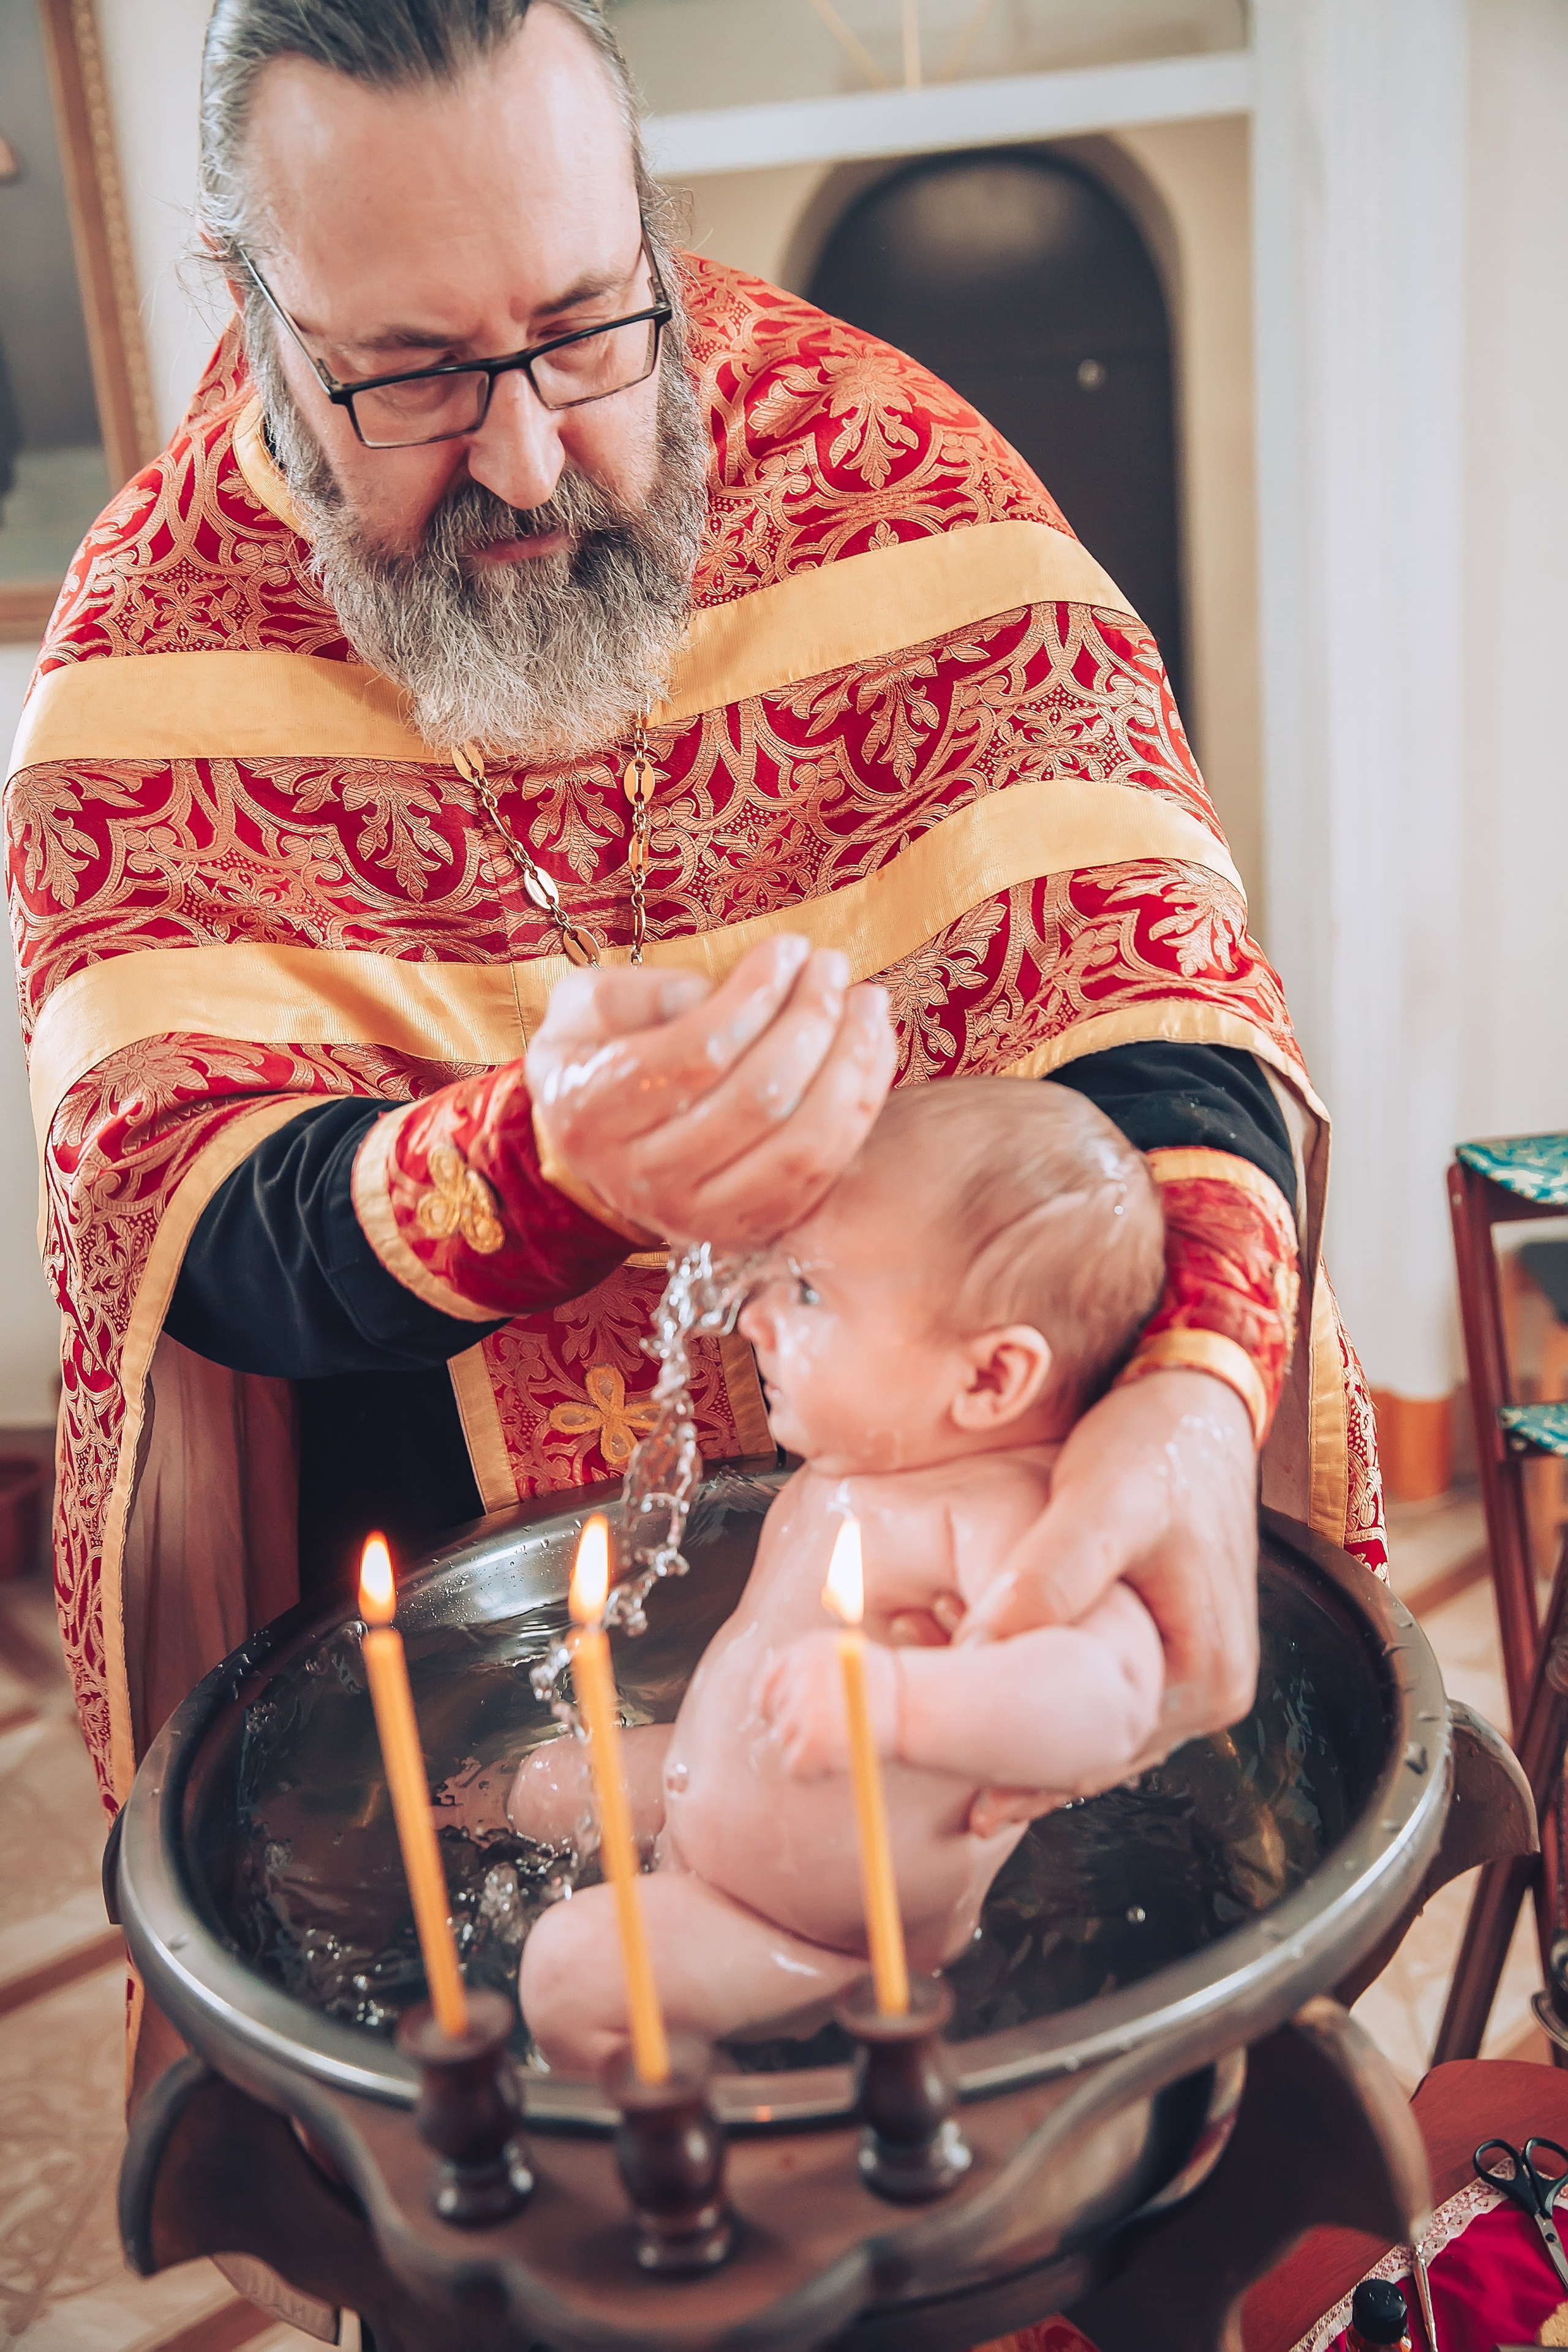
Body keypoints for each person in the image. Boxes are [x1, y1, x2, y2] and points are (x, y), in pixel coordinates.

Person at [6, 0, 1382, 1959]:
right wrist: (537, 1165)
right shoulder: (147, 651)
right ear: (251, 301)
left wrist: (1187, 1390)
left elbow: (1143, 984)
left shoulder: (892, 470)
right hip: (470, 1610)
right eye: (409, 374)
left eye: (582, 325)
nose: (527, 451)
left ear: (646, 223)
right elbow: (187, 1237)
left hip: (959, 1610)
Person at [514, 1078, 1169, 2070]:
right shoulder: (869, 1456)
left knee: (569, 1965)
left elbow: (1116, 1697)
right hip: (719, 1821)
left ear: (991, 1378)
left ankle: (697, 2154)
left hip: (818, 1941)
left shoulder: (1004, 1518)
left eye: (810, 1292)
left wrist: (905, 1699)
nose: (756, 1314)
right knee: (546, 1786)